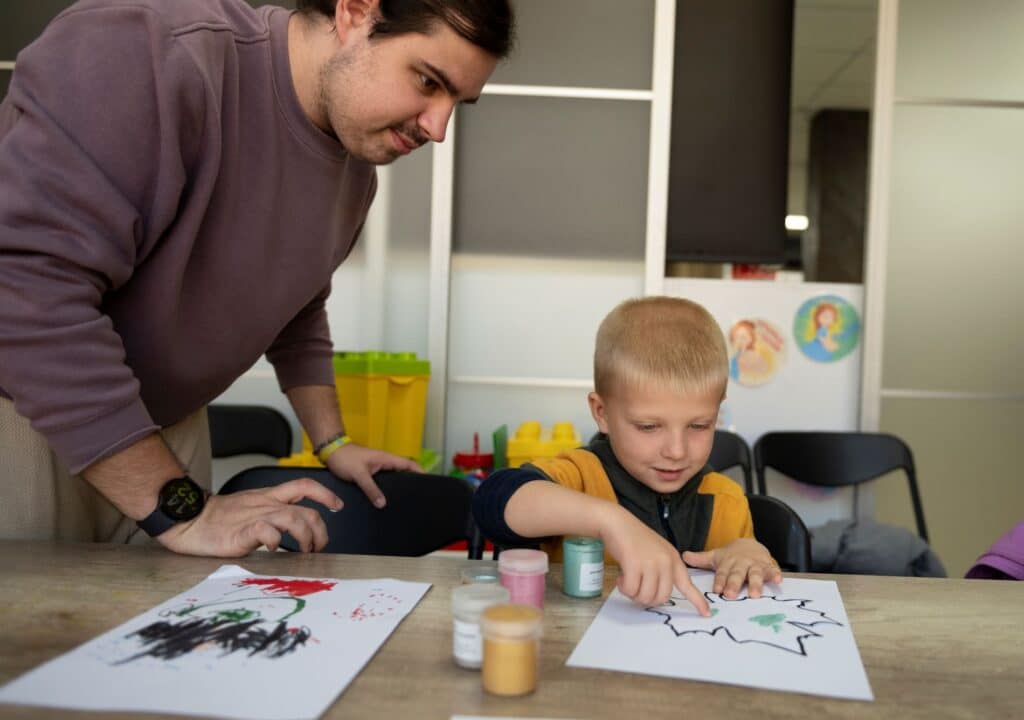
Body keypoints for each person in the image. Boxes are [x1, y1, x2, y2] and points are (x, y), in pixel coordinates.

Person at [0, 0, 514, 557]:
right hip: (31, 418)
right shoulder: (150, 51)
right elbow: (25, 290)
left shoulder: (355, 167)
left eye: (457, 102)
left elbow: (297, 305)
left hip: (166, 432)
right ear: (355, 12)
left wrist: (332, 441)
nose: (438, 128)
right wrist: (183, 509)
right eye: (426, 81)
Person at [473, 297, 781, 614]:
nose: (676, 451)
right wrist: (612, 522)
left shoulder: (726, 501)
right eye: (648, 427)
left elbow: (747, 572)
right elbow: (493, 500)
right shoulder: (578, 477)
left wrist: (747, 553)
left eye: (699, 425)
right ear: (602, 412)